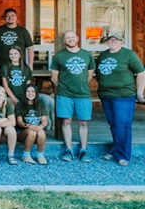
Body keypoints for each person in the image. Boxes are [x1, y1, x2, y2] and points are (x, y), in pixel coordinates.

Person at [95, 31, 145, 166]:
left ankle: (124, 155)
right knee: (114, 125)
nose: (113, 41)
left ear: (121, 41)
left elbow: (141, 73)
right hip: (106, 95)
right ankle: (116, 151)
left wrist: (139, 92)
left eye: (116, 39)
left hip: (124, 96)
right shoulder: (103, 55)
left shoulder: (128, 54)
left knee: (122, 125)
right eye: (111, 39)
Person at [51, 30, 95, 163]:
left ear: (77, 38)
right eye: (67, 38)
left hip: (83, 94)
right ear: (64, 41)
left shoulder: (87, 54)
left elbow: (90, 75)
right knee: (66, 121)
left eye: (72, 37)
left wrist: (80, 85)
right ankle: (68, 150)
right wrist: (64, 88)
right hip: (65, 94)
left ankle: (83, 150)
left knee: (83, 122)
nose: (70, 39)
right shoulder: (59, 56)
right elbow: (54, 77)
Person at [16, 84, 49, 165]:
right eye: (28, 91)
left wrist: (40, 126)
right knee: (32, 132)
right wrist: (29, 126)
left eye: (33, 91)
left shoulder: (40, 103)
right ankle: (26, 155)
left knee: (41, 132)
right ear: (25, 93)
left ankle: (40, 155)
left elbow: (45, 120)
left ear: (36, 93)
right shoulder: (20, 104)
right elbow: (19, 121)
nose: (30, 93)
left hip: (37, 129)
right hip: (23, 132)